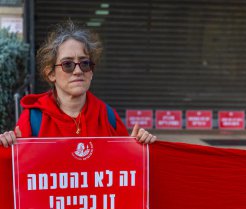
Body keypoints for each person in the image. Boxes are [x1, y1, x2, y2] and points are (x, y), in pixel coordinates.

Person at [0, 20, 156, 147]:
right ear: (51, 73)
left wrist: (137, 149)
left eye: (85, 63)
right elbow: (18, 176)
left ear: (91, 71)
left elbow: (125, 170)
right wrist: (6, 149)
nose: (78, 71)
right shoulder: (32, 120)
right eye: (67, 64)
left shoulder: (108, 117)